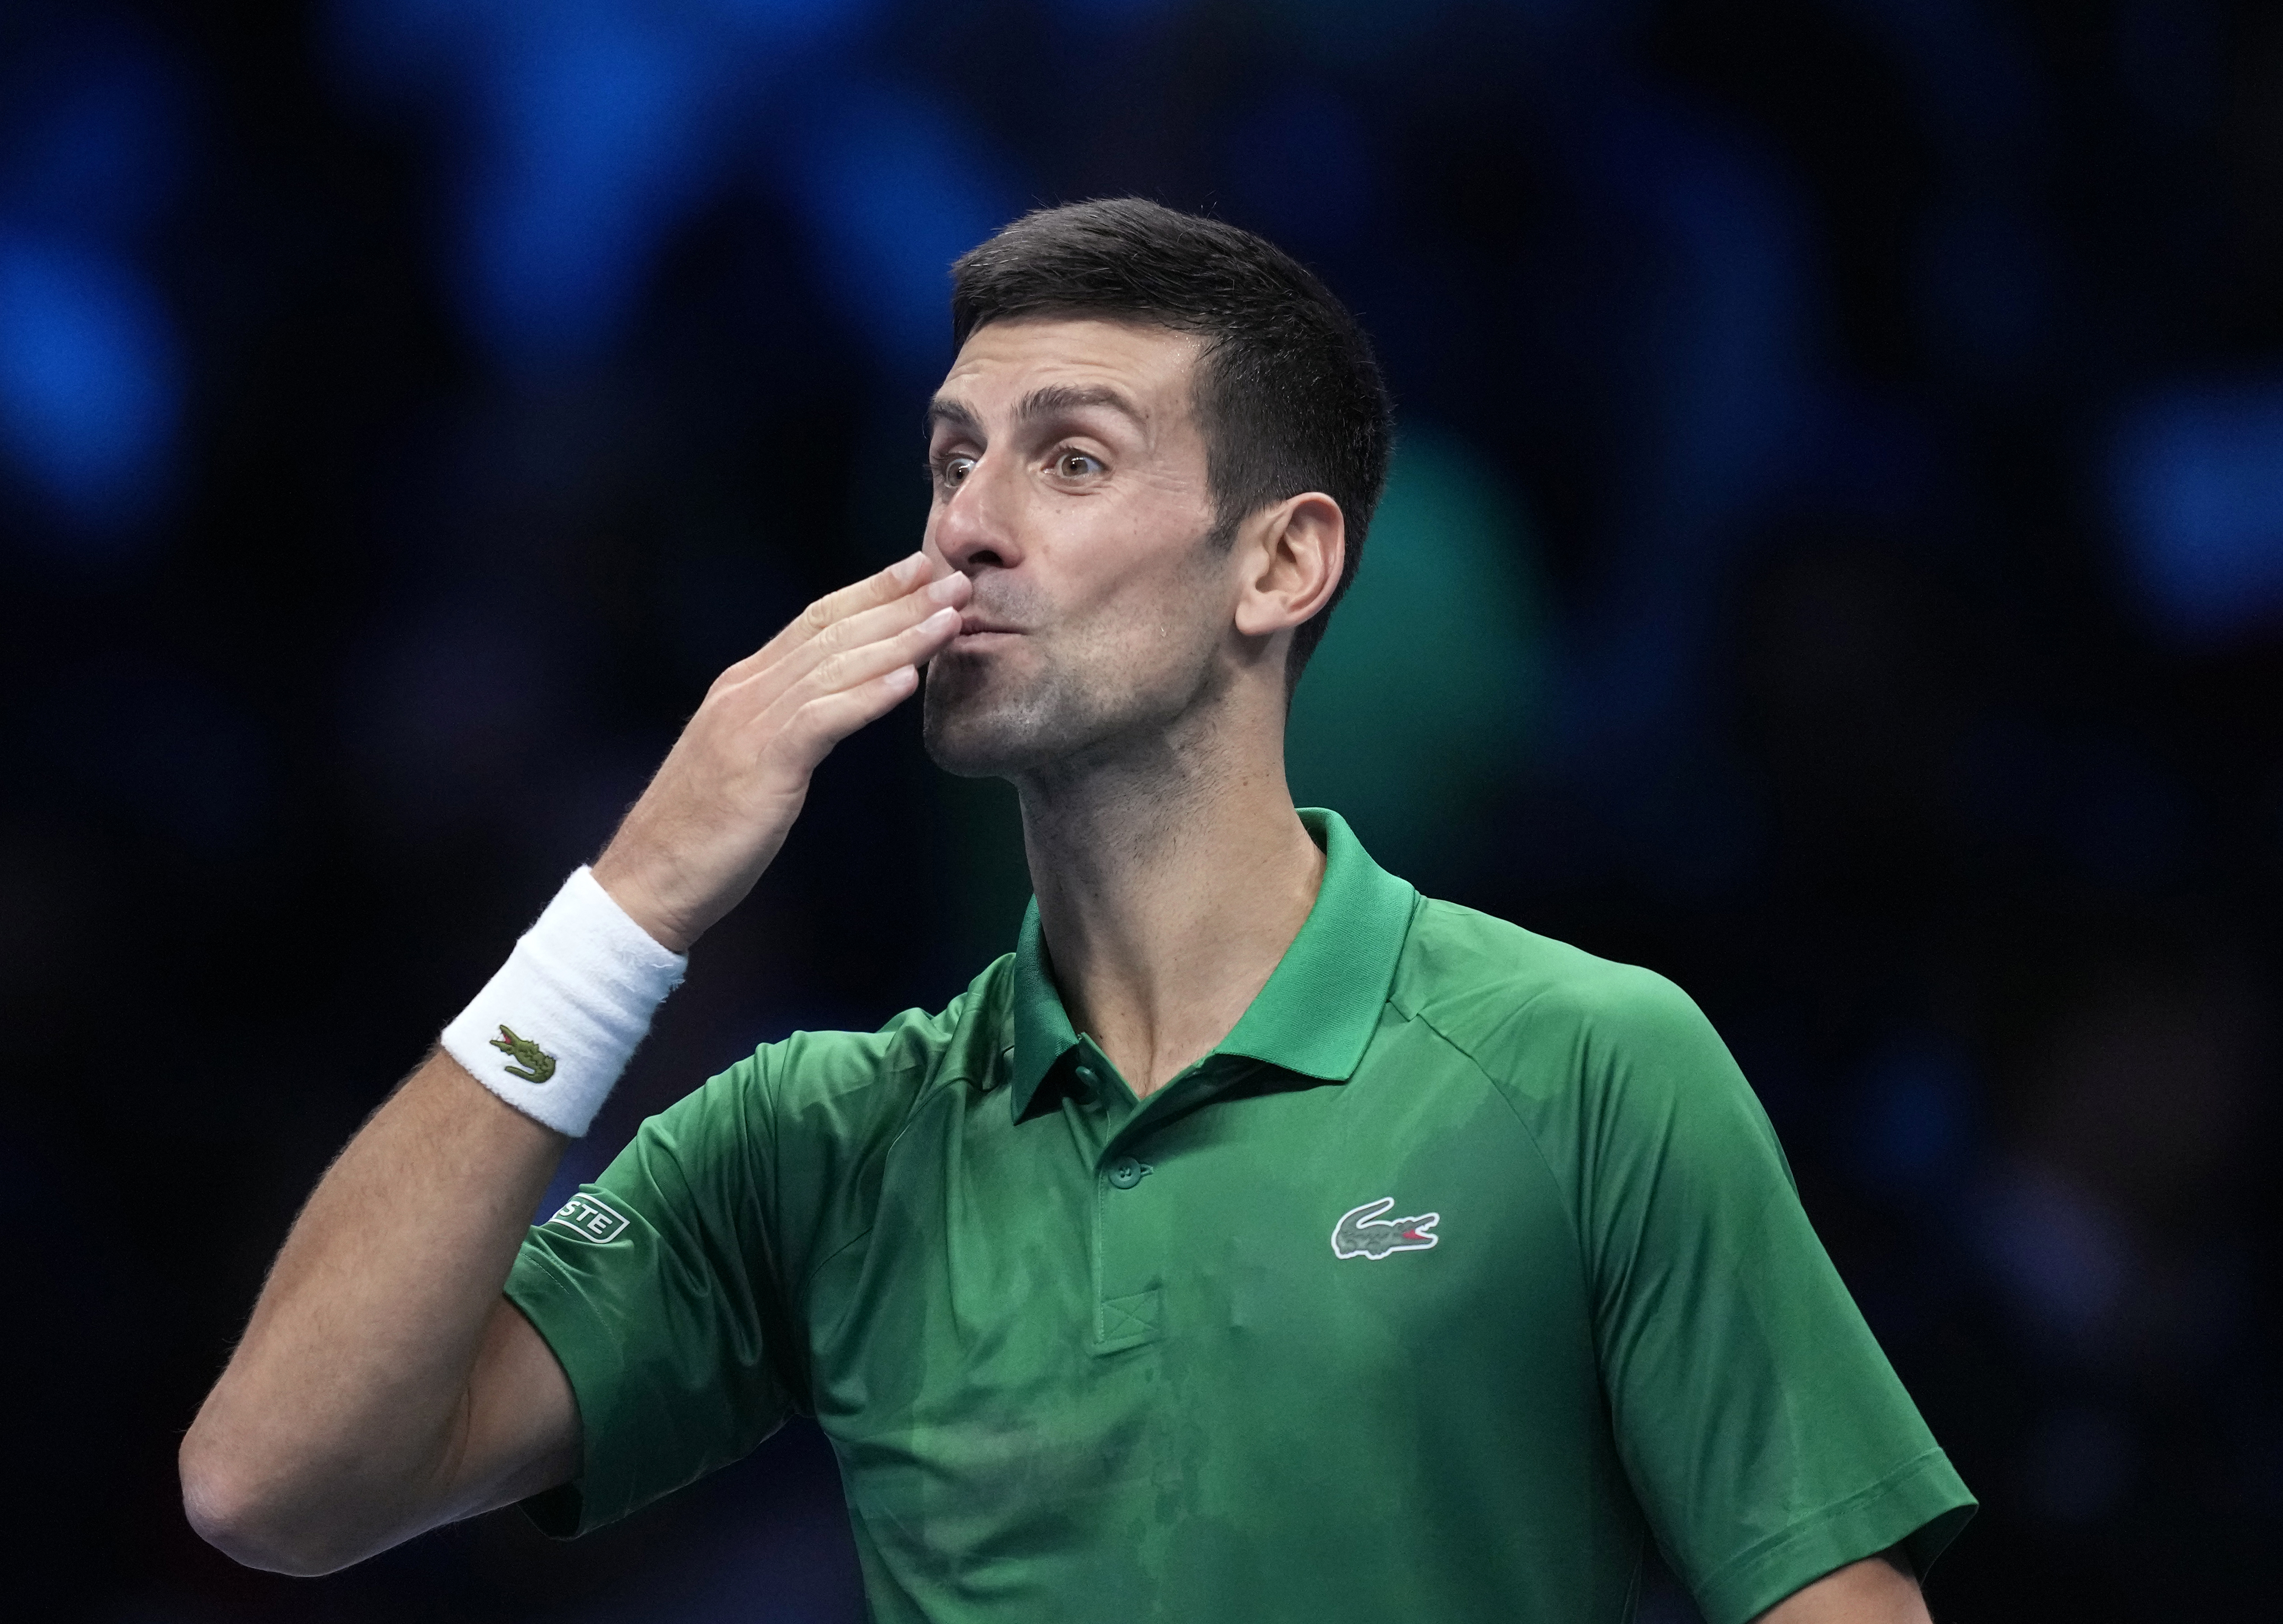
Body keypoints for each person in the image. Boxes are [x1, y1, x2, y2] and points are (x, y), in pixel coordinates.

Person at [181, 199, 1973, 1623]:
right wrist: (629, 902)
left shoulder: (1586, 1060)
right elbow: (277, 1480)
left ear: (1283, 560)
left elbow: (1837, 1599)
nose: (966, 525)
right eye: (953, 457)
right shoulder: (822, 1136)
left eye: (1073, 458)